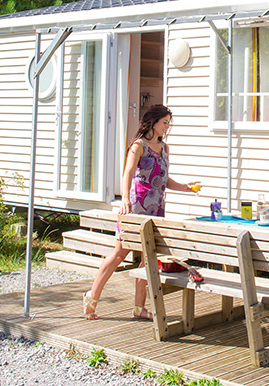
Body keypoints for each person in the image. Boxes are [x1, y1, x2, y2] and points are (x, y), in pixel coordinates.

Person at [83, 103, 200, 320]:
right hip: (136, 207)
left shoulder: (165, 148)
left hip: (157, 209)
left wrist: (184, 187)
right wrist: (124, 199)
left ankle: (139, 307)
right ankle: (92, 297)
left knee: (148, 258)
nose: (167, 127)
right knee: (120, 253)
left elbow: (163, 178)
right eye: (164, 122)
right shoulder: (138, 146)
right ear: (153, 122)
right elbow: (128, 173)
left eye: (168, 123)